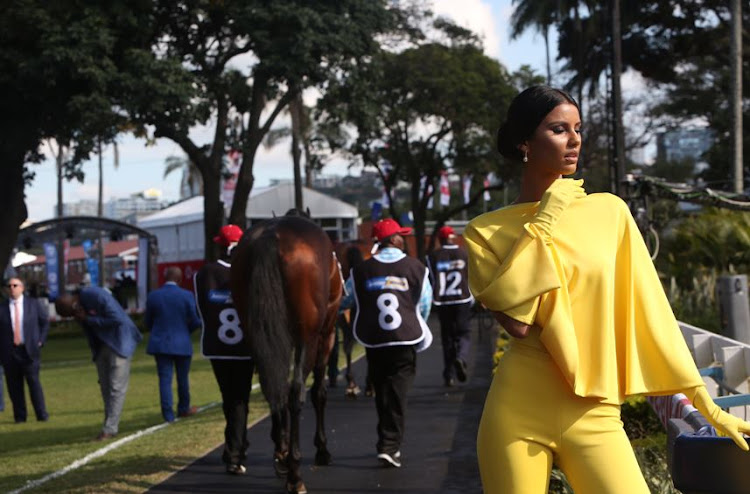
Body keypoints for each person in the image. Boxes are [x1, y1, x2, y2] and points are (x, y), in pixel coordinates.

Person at [463, 85, 750, 494]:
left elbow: (651, 313)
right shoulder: (484, 231)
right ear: (525, 142)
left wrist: (704, 402)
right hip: (517, 409)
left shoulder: (610, 212)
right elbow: (517, 323)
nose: (575, 139)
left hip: (596, 412)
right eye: (559, 129)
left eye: (578, 128)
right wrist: (543, 222)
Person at [340, 218, 433, 468]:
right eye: (401, 236)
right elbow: (424, 304)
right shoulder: (416, 267)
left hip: (375, 340)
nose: (403, 239)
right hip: (405, 339)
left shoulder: (360, 271)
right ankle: (390, 446)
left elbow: (344, 300)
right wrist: (416, 325)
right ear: (392, 240)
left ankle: (387, 442)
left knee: (382, 392)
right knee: (398, 393)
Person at [194, 224, 254, 475]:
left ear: (221, 246)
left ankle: (235, 447)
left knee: (229, 398)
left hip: (217, 346)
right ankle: (235, 453)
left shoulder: (205, 273)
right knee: (240, 399)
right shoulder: (250, 272)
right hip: (244, 347)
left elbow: (201, 311)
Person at [55, 286, 143, 440]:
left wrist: (88, 319)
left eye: (73, 310)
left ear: (75, 299)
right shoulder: (77, 309)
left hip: (119, 342)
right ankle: (109, 423)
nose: (74, 314)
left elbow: (117, 319)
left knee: (116, 387)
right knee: (105, 387)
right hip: (101, 346)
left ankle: (109, 428)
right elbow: (90, 331)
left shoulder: (95, 295)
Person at [145, 266, 202, 422]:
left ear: (165, 278)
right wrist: (185, 331)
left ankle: (168, 414)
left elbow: (147, 321)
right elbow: (196, 320)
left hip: (160, 343)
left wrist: (157, 331)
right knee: (182, 379)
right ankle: (184, 408)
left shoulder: (153, 296)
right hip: (182, 342)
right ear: (179, 279)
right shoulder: (186, 295)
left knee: (165, 379)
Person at [425, 225, 474, 387]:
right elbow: (472, 277)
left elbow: (431, 279)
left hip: (443, 301)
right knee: (464, 334)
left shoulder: (433, 256)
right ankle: (461, 357)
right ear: (453, 237)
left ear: (440, 238)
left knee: (447, 338)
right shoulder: (464, 254)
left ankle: (449, 375)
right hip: (462, 299)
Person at [0, 277, 49, 423]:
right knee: (14, 387)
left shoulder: (33, 304)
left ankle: (41, 414)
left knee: (34, 383)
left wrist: (40, 340)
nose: (12, 288)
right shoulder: (2, 308)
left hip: (29, 350)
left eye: (15, 285)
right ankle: (20, 417)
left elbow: (44, 323)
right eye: (9, 286)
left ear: (22, 288)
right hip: (10, 352)